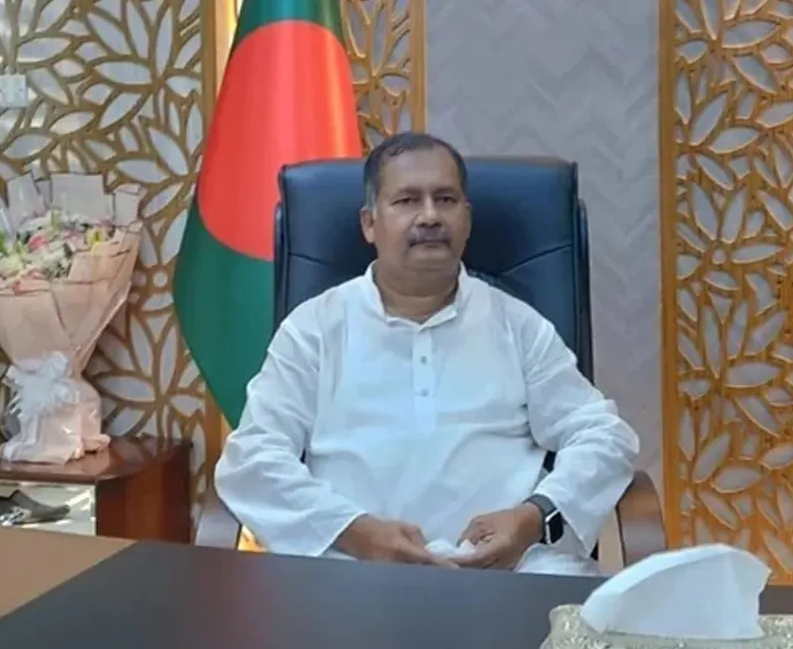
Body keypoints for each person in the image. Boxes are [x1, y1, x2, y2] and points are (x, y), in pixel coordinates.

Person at [214, 132, 640, 576]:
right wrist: (355, 532)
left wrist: (534, 517)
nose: (431, 216)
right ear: (369, 223)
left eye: (446, 199)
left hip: (508, 572)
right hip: (353, 571)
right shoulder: (314, 328)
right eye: (407, 201)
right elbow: (252, 458)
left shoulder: (517, 324)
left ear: (467, 219)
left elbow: (604, 436)